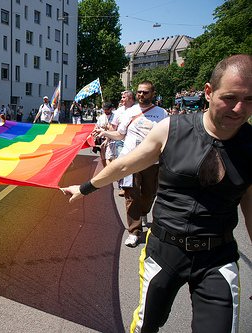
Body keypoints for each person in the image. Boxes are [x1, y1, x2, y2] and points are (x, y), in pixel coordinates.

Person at [61, 54, 252, 332]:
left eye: (249, 100)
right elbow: (126, 163)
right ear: (209, 93)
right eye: (230, 97)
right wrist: (84, 188)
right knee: (146, 326)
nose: (238, 109)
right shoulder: (172, 128)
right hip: (165, 252)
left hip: (217, 260)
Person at [96, 82, 168, 247]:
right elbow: (120, 135)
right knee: (131, 195)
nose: (141, 95)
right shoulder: (130, 113)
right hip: (130, 160)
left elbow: (167, 137)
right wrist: (105, 133)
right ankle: (134, 231)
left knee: (149, 194)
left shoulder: (162, 113)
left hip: (152, 162)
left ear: (153, 93)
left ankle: (143, 212)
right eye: (139, 92)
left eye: (145, 92)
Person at [93, 102, 116, 166]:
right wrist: (95, 132)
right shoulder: (101, 117)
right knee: (103, 157)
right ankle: (105, 169)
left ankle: (110, 172)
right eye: (104, 109)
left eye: (107, 109)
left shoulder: (115, 117)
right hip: (102, 139)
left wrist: (107, 127)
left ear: (111, 109)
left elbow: (115, 129)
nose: (105, 111)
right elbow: (97, 126)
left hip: (111, 140)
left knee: (110, 157)